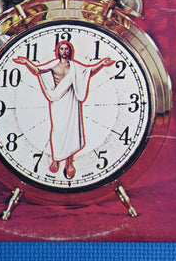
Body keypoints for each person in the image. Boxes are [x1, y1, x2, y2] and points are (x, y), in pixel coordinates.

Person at [13, 40, 114, 179]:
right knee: (58, 130)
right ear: (58, 52)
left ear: (70, 51)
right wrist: (26, 62)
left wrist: (102, 64)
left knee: (72, 130)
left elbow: (89, 71)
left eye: (67, 49)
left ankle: (69, 162)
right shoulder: (53, 65)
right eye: (62, 49)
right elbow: (38, 70)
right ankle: (56, 159)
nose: (64, 51)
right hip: (58, 101)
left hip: (72, 100)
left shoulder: (75, 67)